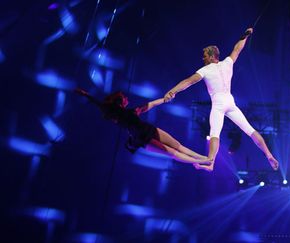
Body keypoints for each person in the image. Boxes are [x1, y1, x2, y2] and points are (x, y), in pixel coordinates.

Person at [164, 28, 279, 172]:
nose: (203, 58)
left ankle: (211, 161)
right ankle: (268, 154)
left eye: (205, 56)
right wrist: (246, 35)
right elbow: (237, 49)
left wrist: (172, 90)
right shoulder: (227, 63)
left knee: (214, 133)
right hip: (230, 102)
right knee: (250, 130)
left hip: (218, 104)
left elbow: (188, 82)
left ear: (212, 57)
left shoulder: (205, 70)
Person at [75, 88, 211, 165]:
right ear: (120, 101)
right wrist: (87, 95)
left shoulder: (132, 111)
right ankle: (200, 161)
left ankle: (202, 158)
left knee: (178, 146)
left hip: (148, 129)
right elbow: (101, 104)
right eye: (124, 98)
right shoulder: (116, 113)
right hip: (141, 138)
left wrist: (164, 99)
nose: (127, 99)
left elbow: (150, 105)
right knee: (174, 153)